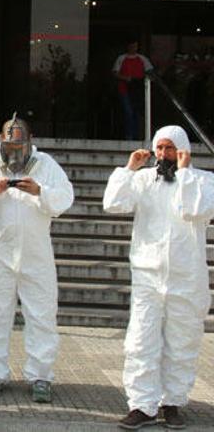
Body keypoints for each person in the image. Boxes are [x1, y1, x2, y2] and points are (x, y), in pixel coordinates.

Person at [103, 126, 213, 430]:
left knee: (182, 340)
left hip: (186, 276)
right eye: (160, 148)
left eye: (170, 148)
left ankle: (173, 402)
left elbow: (195, 210)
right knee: (140, 340)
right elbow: (113, 203)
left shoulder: (202, 180)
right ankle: (142, 405)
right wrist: (129, 169)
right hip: (148, 275)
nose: (164, 154)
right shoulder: (142, 180)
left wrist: (186, 171)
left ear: (182, 150)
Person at [0, 115, 74, 403]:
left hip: (37, 254)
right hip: (0, 252)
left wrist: (40, 191)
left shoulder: (45, 165)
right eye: (9, 143)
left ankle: (40, 376)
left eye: (19, 144)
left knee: (42, 314)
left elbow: (65, 197)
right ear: (0, 140)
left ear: (29, 140)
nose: (14, 149)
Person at [112, 40, 153, 140]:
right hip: (124, 90)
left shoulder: (142, 59)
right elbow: (115, 73)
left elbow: (150, 71)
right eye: (131, 46)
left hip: (138, 90)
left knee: (136, 113)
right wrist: (125, 78)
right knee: (128, 111)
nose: (133, 48)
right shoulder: (121, 58)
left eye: (135, 46)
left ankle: (137, 135)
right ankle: (129, 136)